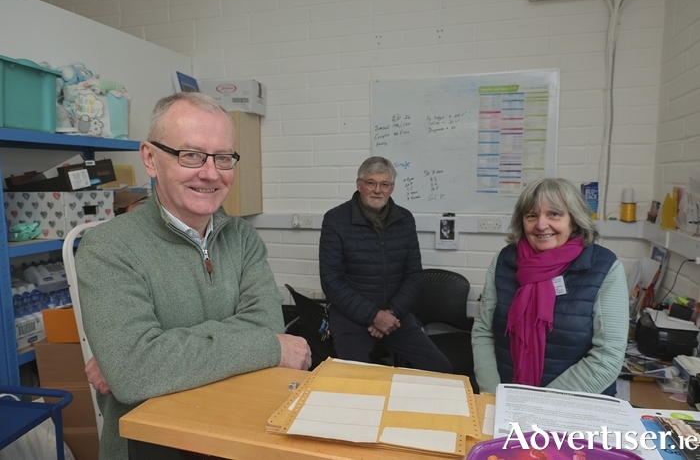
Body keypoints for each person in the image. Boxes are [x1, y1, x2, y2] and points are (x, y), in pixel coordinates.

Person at [76, 92, 311, 460]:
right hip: (152, 448)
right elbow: (135, 372)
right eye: (191, 155)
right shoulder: (108, 248)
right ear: (151, 159)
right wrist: (267, 348)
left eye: (223, 157)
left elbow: (266, 323)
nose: (211, 173)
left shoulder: (243, 239)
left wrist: (151, 353)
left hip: (239, 434)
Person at [471, 178, 628, 396]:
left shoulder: (605, 267)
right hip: (505, 400)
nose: (541, 225)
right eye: (531, 215)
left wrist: (540, 404)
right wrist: (493, 395)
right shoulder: (504, 261)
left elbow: (607, 358)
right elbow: (483, 332)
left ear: (574, 219)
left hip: (577, 407)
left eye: (554, 214)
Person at [319, 156, 453, 373]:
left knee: (442, 370)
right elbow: (332, 282)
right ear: (359, 184)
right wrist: (374, 316)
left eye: (384, 184)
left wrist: (391, 314)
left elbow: (413, 275)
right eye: (371, 182)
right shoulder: (335, 220)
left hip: (395, 316)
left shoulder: (404, 219)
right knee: (357, 380)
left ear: (392, 187)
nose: (377, 190)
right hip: (350, 317)